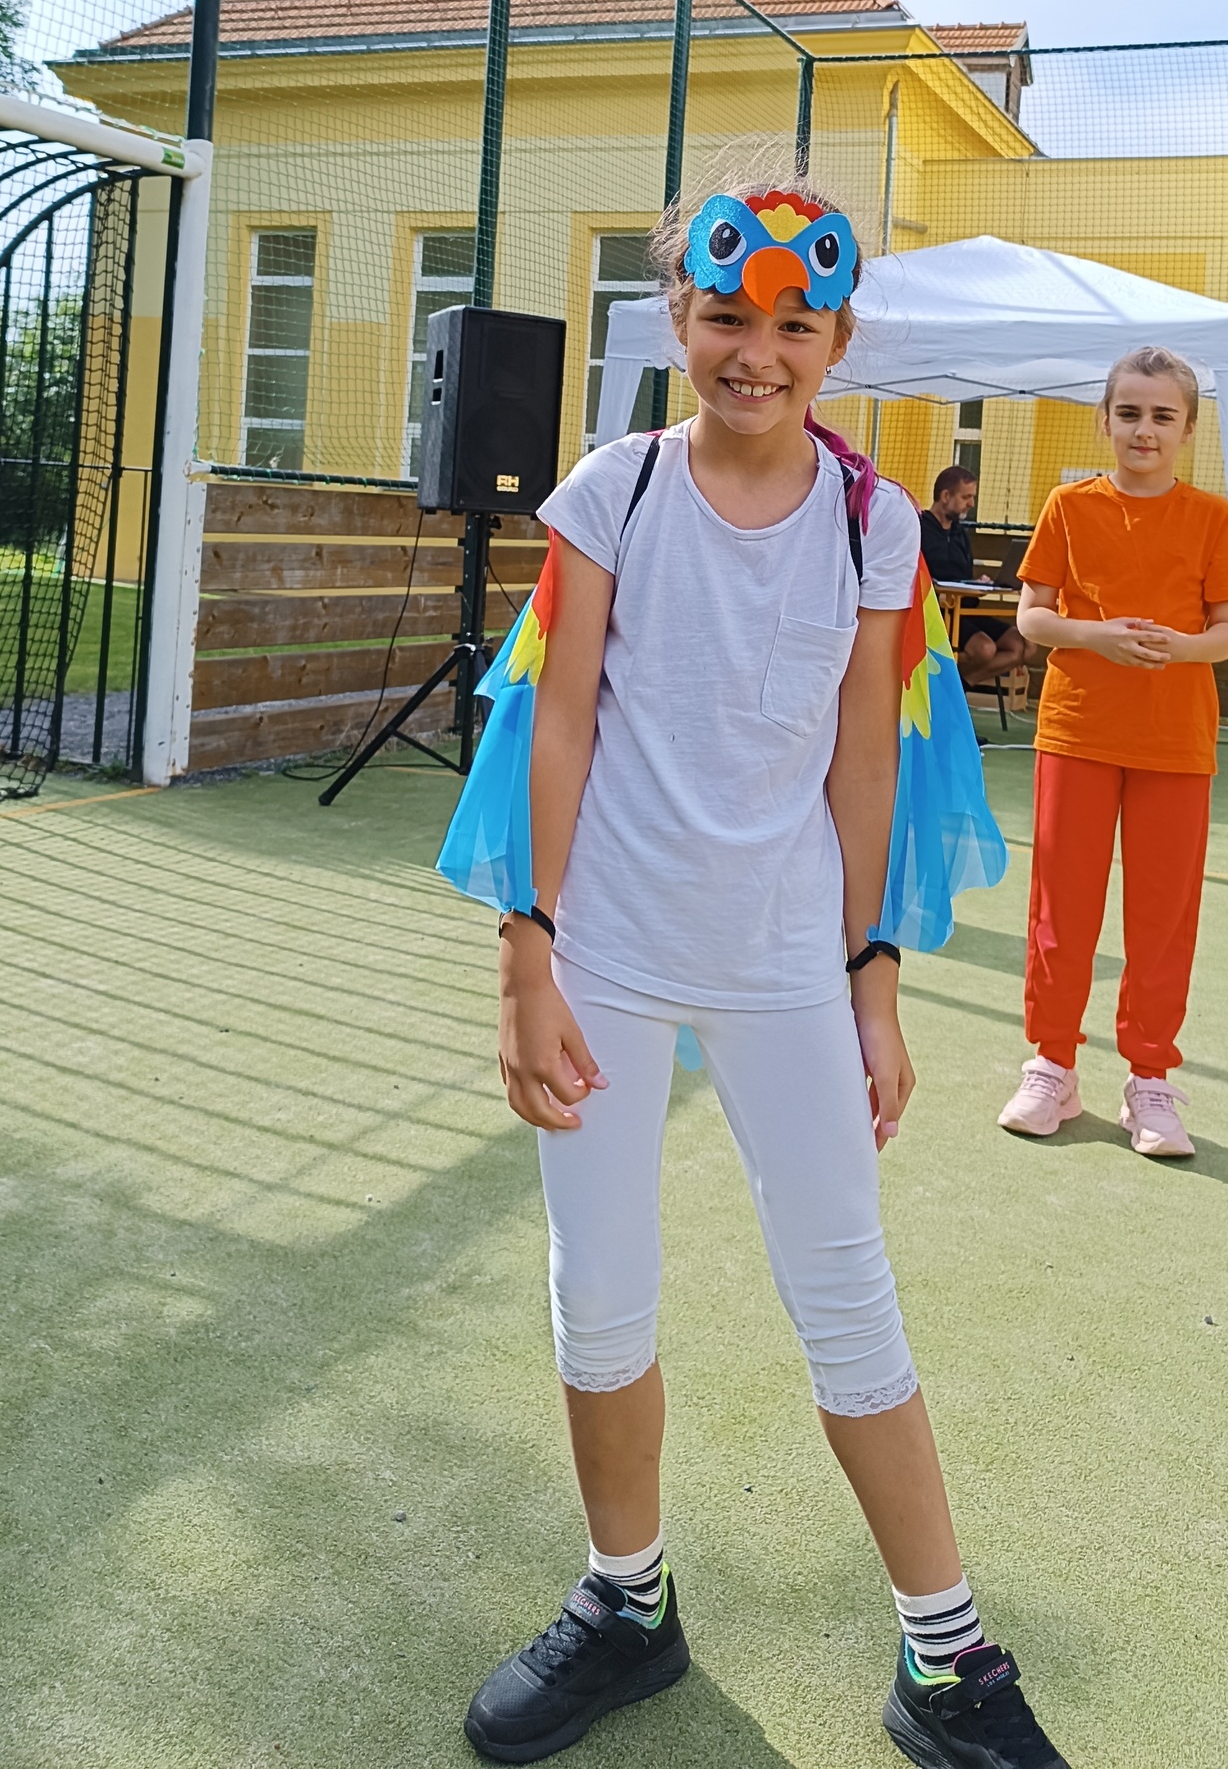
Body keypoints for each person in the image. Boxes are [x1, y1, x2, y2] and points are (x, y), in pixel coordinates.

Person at [453, 175, 1066, 1766]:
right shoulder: (614, 491)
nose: (758, 352)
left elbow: (866, 752)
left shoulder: (873, 521)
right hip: (607, 953)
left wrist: (873, 979)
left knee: (849, 1300)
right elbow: (556, 719)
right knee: (602, 1295)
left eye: (797, 324)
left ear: (838, 342)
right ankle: (627, 1603)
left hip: (790, 964)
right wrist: (528, 950)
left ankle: (948, 1659)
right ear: (680, 320)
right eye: (728, 316)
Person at [1000, 347, 1228, 1161]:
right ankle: (1053, 1065)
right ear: (1105, 420)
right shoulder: (1069, 506)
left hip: (1175, 743)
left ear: (1188, 429)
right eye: (1130, 413)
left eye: (1163, 416)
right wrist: (1096, 636)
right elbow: (1032, 617)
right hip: (1077, 732)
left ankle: (1150, 1080)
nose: (1145, 430)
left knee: (1162, 917)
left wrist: (1177, 648)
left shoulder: (1212, 517)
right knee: (1061, 909)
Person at [919, 465, 1028, 680]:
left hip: (965, 611)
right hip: (935, 614)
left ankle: (960, 685)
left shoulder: (959, 533)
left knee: (1020, 645)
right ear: (945, 496)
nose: (971, 504)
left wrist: (978, 583)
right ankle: (944, 686)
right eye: (966, 497)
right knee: (984, 649)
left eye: (973, 497)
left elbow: (963, 575)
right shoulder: (919, 527)